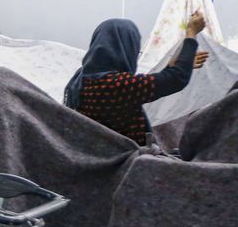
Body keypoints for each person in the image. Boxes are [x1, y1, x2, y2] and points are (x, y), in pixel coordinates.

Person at [63, 13, 208, 145]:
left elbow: (160, 81)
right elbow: (176, 79)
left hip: (97, 153)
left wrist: (183, 62)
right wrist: (191, 34)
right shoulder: (118, 84)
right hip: (122, 163)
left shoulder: (82, 78)